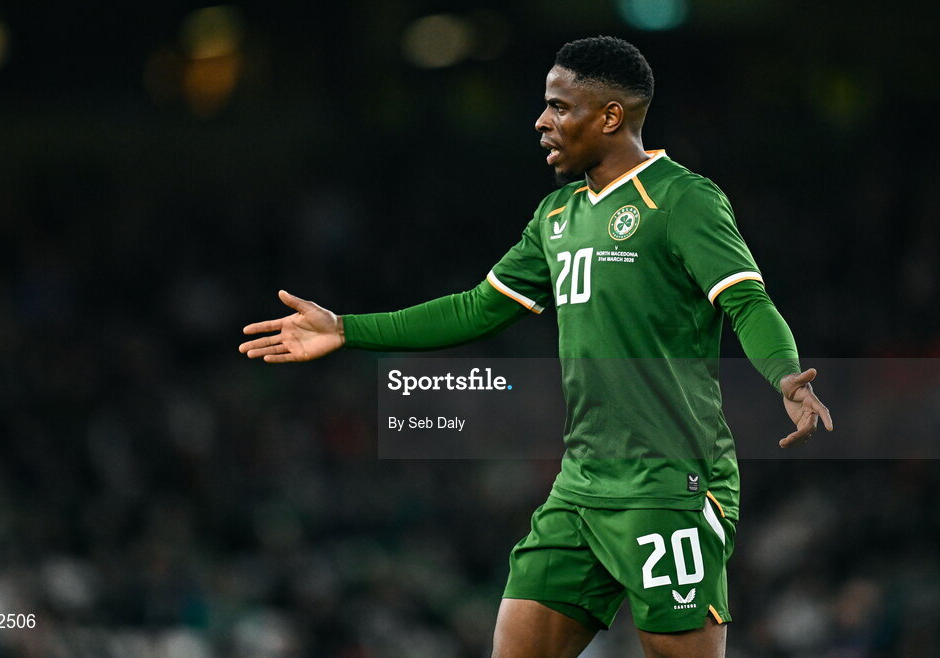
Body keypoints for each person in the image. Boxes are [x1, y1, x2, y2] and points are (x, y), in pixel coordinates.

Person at [239, 36, 833, 658]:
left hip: (669, 485)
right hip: (581, 488)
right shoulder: (556, 216)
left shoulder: (683, 199)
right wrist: (345, 329)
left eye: (559, 107)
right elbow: (476, 309)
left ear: (610, 116)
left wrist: (785, 374)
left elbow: (746, 301)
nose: (541, 122)